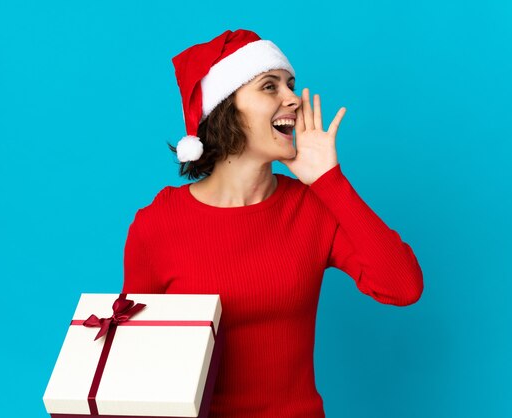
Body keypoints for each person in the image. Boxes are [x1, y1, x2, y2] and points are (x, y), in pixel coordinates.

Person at [123, 29, 423, 418]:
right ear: (226, 109)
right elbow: (132, 362)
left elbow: (402, 286)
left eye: (291, 85)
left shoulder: (312, 206)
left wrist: (329, 181)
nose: (293, 99)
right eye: (270, 86)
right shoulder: (158, 223)